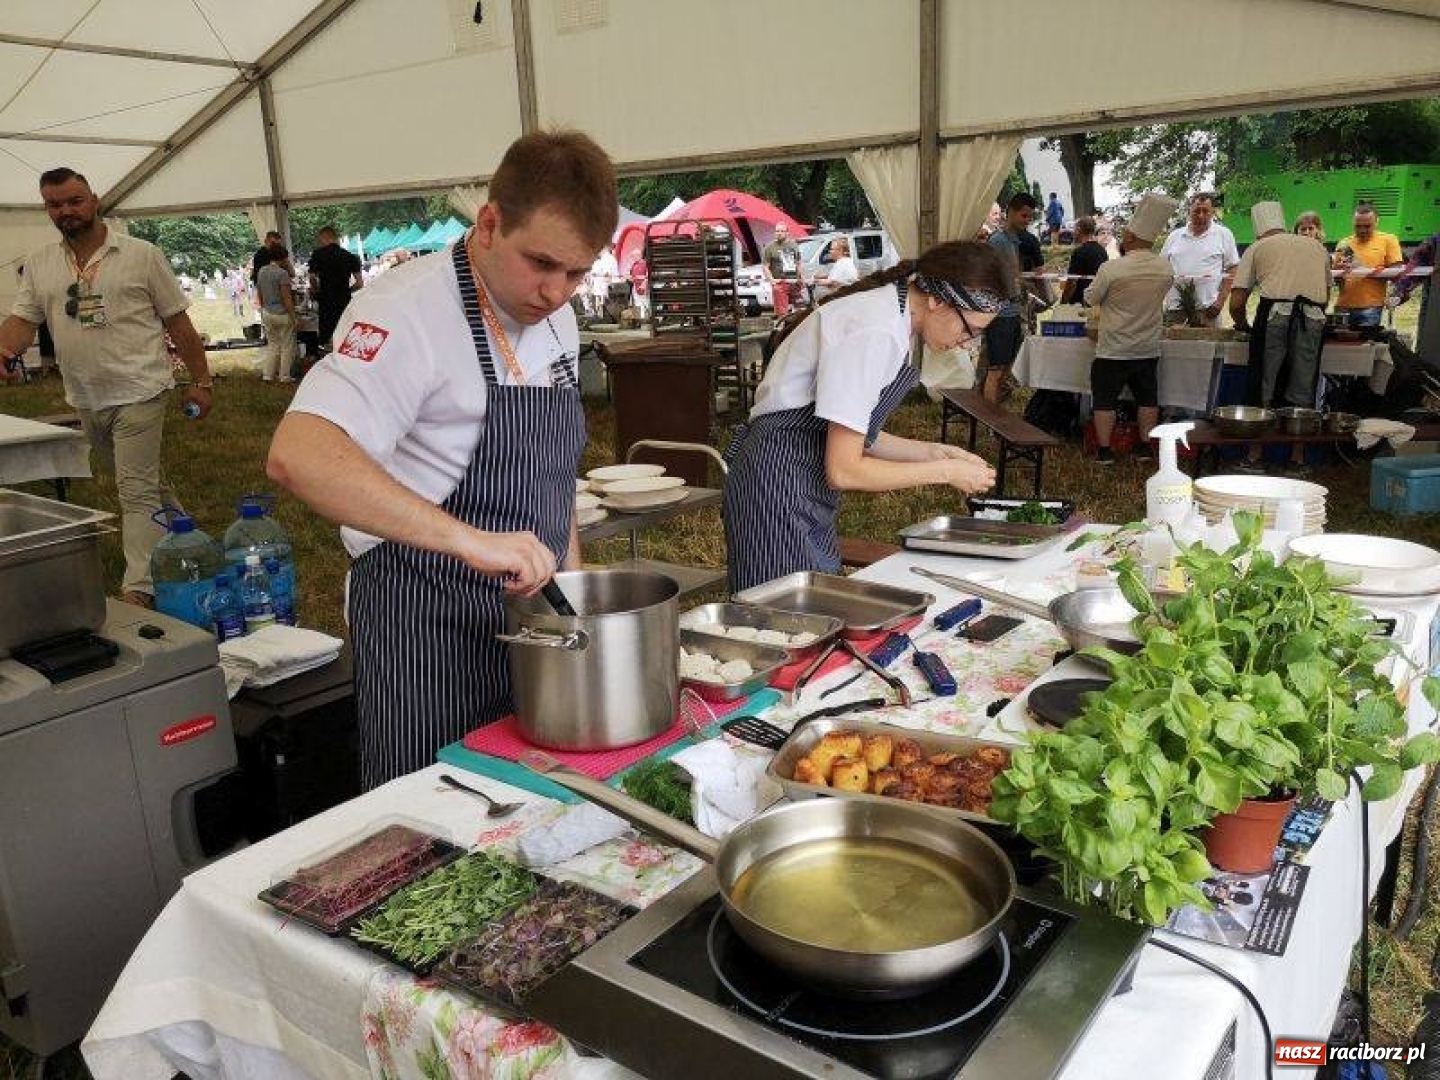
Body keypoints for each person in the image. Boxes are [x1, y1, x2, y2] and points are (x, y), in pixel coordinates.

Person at [266, 130, 617, 789]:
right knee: (433, 814)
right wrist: (469, 540)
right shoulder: (405, 312)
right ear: (489, 224)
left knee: (538, 803)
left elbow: (549, 476)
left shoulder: (557, 319)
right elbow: (298, 454)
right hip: (424, 622)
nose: (555, 292)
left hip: (533, 622)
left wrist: (571, 585)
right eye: (541, 263)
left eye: (576, 273)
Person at [723, 241, 1002, 591]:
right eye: (970, 330)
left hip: (798, 481)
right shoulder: (875, 330)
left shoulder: (892, 321)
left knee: (811, 606)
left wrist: (936, 452)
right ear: (937, 301)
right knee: (781, 614)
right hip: (776, 486)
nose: (967, 342)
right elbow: (844, 469)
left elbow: (855, 431)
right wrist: (945, 472)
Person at [0, 167, 214, 607]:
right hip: (86, 395)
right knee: (149, 483)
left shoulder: (142, 255)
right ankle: (193, 543)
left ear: (94, 201)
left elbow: (178, 322)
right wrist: (2, 352)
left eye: (74, 201)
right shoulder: (40, 262)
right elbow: (23, 320)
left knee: (134, 490)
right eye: (55, 205)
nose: (66, 211)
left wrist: (202, 381)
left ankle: (141, 588)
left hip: (141, 387)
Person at [1227, 201, 1331, 475]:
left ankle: (1255, 456)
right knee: (1303, 386)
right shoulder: (1318, 247)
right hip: (1313, 316)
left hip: (1274, 314)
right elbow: (1326, 296)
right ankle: (1297, 459)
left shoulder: (1258, 247)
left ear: (1258, 230)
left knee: (1264, 383)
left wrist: (1242, 324)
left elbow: (1237, 302)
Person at [1083, 193, 1178, 465]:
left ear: (1132, 237)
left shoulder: (1112, 268)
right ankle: (1146, 447)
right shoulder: (1165, 268)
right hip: (1147, 345)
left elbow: (1090, 298)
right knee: (1147, 399)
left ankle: (1104, 450)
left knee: (1105, 400)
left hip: (1113, 346)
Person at [981, 192, 1037, 404]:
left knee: (1004, 368)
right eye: (1024, 215)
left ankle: (993, 412)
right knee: (996, 370)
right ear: (1010, 212)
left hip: (1012, 311)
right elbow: (989, 276)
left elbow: (1011, 275)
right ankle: (989, 417)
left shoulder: (1012, 241)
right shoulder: (998, 241)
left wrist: (1024, 284)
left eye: (1030, 216)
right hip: (1001, 314)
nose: (1027, 220)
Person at [1161, 193, 1239, 327]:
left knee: (1208, 341)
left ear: (1213, 212)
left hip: (1208, 310)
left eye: (1205, 211)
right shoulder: (1174, 236)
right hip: (1175, 310)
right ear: (1189, 211)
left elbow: (1233, 268)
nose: (1201, 215)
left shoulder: (1224, 234)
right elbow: (1162, 267)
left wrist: (1219, 303)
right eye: (1197, 211)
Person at [1333, 202, 1403, 329]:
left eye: (1367, 226)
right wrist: (1338, 272)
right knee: (1339, 342)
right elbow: (1336, 279)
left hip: (1371, 307)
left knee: (1366, 341)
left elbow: (1397, 273)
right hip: (1343, 306)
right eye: (1358, 226)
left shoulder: (1389, 240)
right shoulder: (1344, 243)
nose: (1362, 230)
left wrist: (1378, 272)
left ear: (1377, 222)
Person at [307, 226, 363, 349]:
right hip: (344, 301)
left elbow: (312, 278)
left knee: (327, 339)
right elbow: (360, 283)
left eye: (320, 240)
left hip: (326, 301)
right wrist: (347, 290)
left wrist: (316, 290)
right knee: (345, 335)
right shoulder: (351, 257)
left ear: (324, 238)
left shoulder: (317, 254)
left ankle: (330, 355)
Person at [256, 246, 297, 383]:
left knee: (272, 345)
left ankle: (267, 375)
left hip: (267, 312)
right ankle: (284, 376)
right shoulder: (282, 274)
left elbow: (259, 292)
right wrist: (294, 317)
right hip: (282, 314)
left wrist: (263, 308)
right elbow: (286, 298)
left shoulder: (261, 271)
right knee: (286, 346)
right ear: (284, 258)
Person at [1061, 216, 1108, 305]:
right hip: (1097, 300)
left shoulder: (1079, 252)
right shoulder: (1102, 251)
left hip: (1079, 302)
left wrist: (1063, 303)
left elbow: (1072, 282)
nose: (1073, 232)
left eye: (1074, 229)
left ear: (1079, 230)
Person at [761, 221, 803, 321]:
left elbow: (798, 263)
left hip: (793, 281)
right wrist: (772, 281)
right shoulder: (769, 247)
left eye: (782, 231)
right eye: (777, 231)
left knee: (800, 310)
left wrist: (801, 278)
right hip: (780, 282)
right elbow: (765, 266)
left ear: (787, 233)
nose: (779, 233)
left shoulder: (793, 245)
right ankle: (783, 326)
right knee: (782, 313)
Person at [586, 244, 619, 318]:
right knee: (597, 297)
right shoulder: (602, 259)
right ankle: (598, 313)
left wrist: (595, 273)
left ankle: (601, 314)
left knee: (601, 297)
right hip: (600, 282)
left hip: (606, 283)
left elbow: (606, 273)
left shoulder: (608, 258)